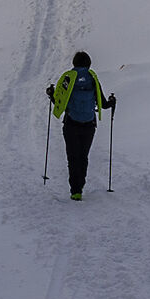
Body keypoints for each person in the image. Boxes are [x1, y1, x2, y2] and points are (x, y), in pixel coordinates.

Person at [48, 51, 116, 200]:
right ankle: (81, 185)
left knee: (72, 157)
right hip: (89, 125)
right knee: (83, 157)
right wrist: (112, 101)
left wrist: (51, 94)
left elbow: (61, 103)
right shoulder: (93, 79)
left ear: (74, 63)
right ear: (88, 64)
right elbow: (103, 104)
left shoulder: (68, 78)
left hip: (71, 124)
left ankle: (75, 191)